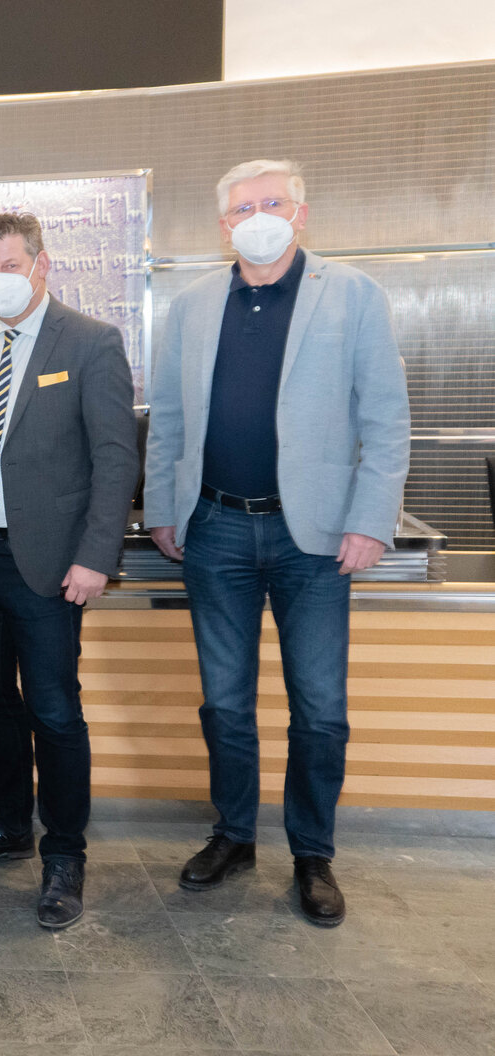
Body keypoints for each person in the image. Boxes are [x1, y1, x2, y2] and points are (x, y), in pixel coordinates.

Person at [144, 159, 410, 927]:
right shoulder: (193, 306)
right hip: (215, 528)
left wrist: (369, 519)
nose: (255, 216)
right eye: (240, 209)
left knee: (319, 710)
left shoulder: (353, 295)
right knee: (224, 705)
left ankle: (311, 853)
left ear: (300, 212)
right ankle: (232, 836)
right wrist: (164, 507)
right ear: (222, 225)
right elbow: (167, 420)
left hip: (317, 539)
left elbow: (385, 422)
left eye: (271, 203)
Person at [0, 213, 137, 928]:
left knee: (53, 710)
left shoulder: (91, 341)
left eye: (7, 264)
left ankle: (64, 856)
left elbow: (114, 457)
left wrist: (95, 555)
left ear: (40, 263)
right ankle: (9, 827)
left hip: (46, 562)